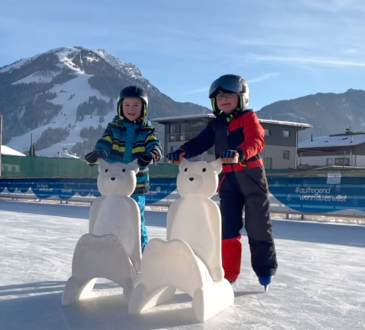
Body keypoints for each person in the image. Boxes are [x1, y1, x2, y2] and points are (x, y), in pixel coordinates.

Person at [166, 74, 277, 290]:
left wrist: (241, 152)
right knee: (227, 227)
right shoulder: (216, 125)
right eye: (219, 97)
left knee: (258, 226)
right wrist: (183, 151)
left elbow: (256, 139)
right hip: (227, 180)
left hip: (251, 177)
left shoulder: (248, 118)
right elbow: (200, 142)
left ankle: (264, 272)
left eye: (228, 95)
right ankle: (228, 275)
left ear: (242, 97)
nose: (223, 100)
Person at [84, 85, 162, 251]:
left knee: (135, 220)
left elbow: (154, 145)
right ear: (120, 107)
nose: (131, 109)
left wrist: (153, 153)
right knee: (108, 217)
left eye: (136, 105)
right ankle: (105, 250)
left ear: (143, 108)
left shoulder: (147, 130)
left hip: (136, 185)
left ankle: (140, 253)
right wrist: (97, 154)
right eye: (127, 105)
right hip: (112, 185)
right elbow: (105, 143)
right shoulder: (114, 128)